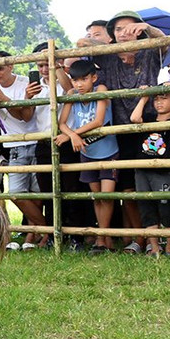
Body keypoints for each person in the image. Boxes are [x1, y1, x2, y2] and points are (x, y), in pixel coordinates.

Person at [98, 10, 169, 254]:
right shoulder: (107, 57)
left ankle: (161, 239)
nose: (124, 33)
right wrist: (100, 41)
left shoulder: (150, 51)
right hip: (121, 128)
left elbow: (164, 40)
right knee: (128, 186)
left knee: (155, 181)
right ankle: (139, 238)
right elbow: (81, 44)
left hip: (150, 125)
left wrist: (146, 27)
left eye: (130, 28)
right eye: (118, 29)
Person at [0, 51, 49, 250]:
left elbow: (26, 117)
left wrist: (6, 99)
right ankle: (44, 229)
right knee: (17, 193)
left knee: (37, 193)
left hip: (34, 141)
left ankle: (34, 235)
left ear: (10, 67)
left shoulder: (26, 83)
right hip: (13, 145)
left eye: (0, 68)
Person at [56, 59, 118, 254]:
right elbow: (62, 122)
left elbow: (99, 120)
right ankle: (104, 239)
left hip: (108, 152)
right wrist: (72, 134)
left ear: (94, 77)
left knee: (106, 197)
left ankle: (101, 237)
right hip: (87, 153)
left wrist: (74, 134)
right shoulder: (72, 95)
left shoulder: (101, 90)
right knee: (96, 198)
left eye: (84, 79)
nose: (79, 84)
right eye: (75, 80)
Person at [129, 89, 170, 256]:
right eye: (156, 99)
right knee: (146, 207)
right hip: (142, 169)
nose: (159, 103)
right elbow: (134, 118)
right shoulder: (148, 118)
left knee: (167, 207)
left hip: (163, 171)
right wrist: (144, 98)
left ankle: (169, 246)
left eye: (164, 98)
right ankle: (154, 247)